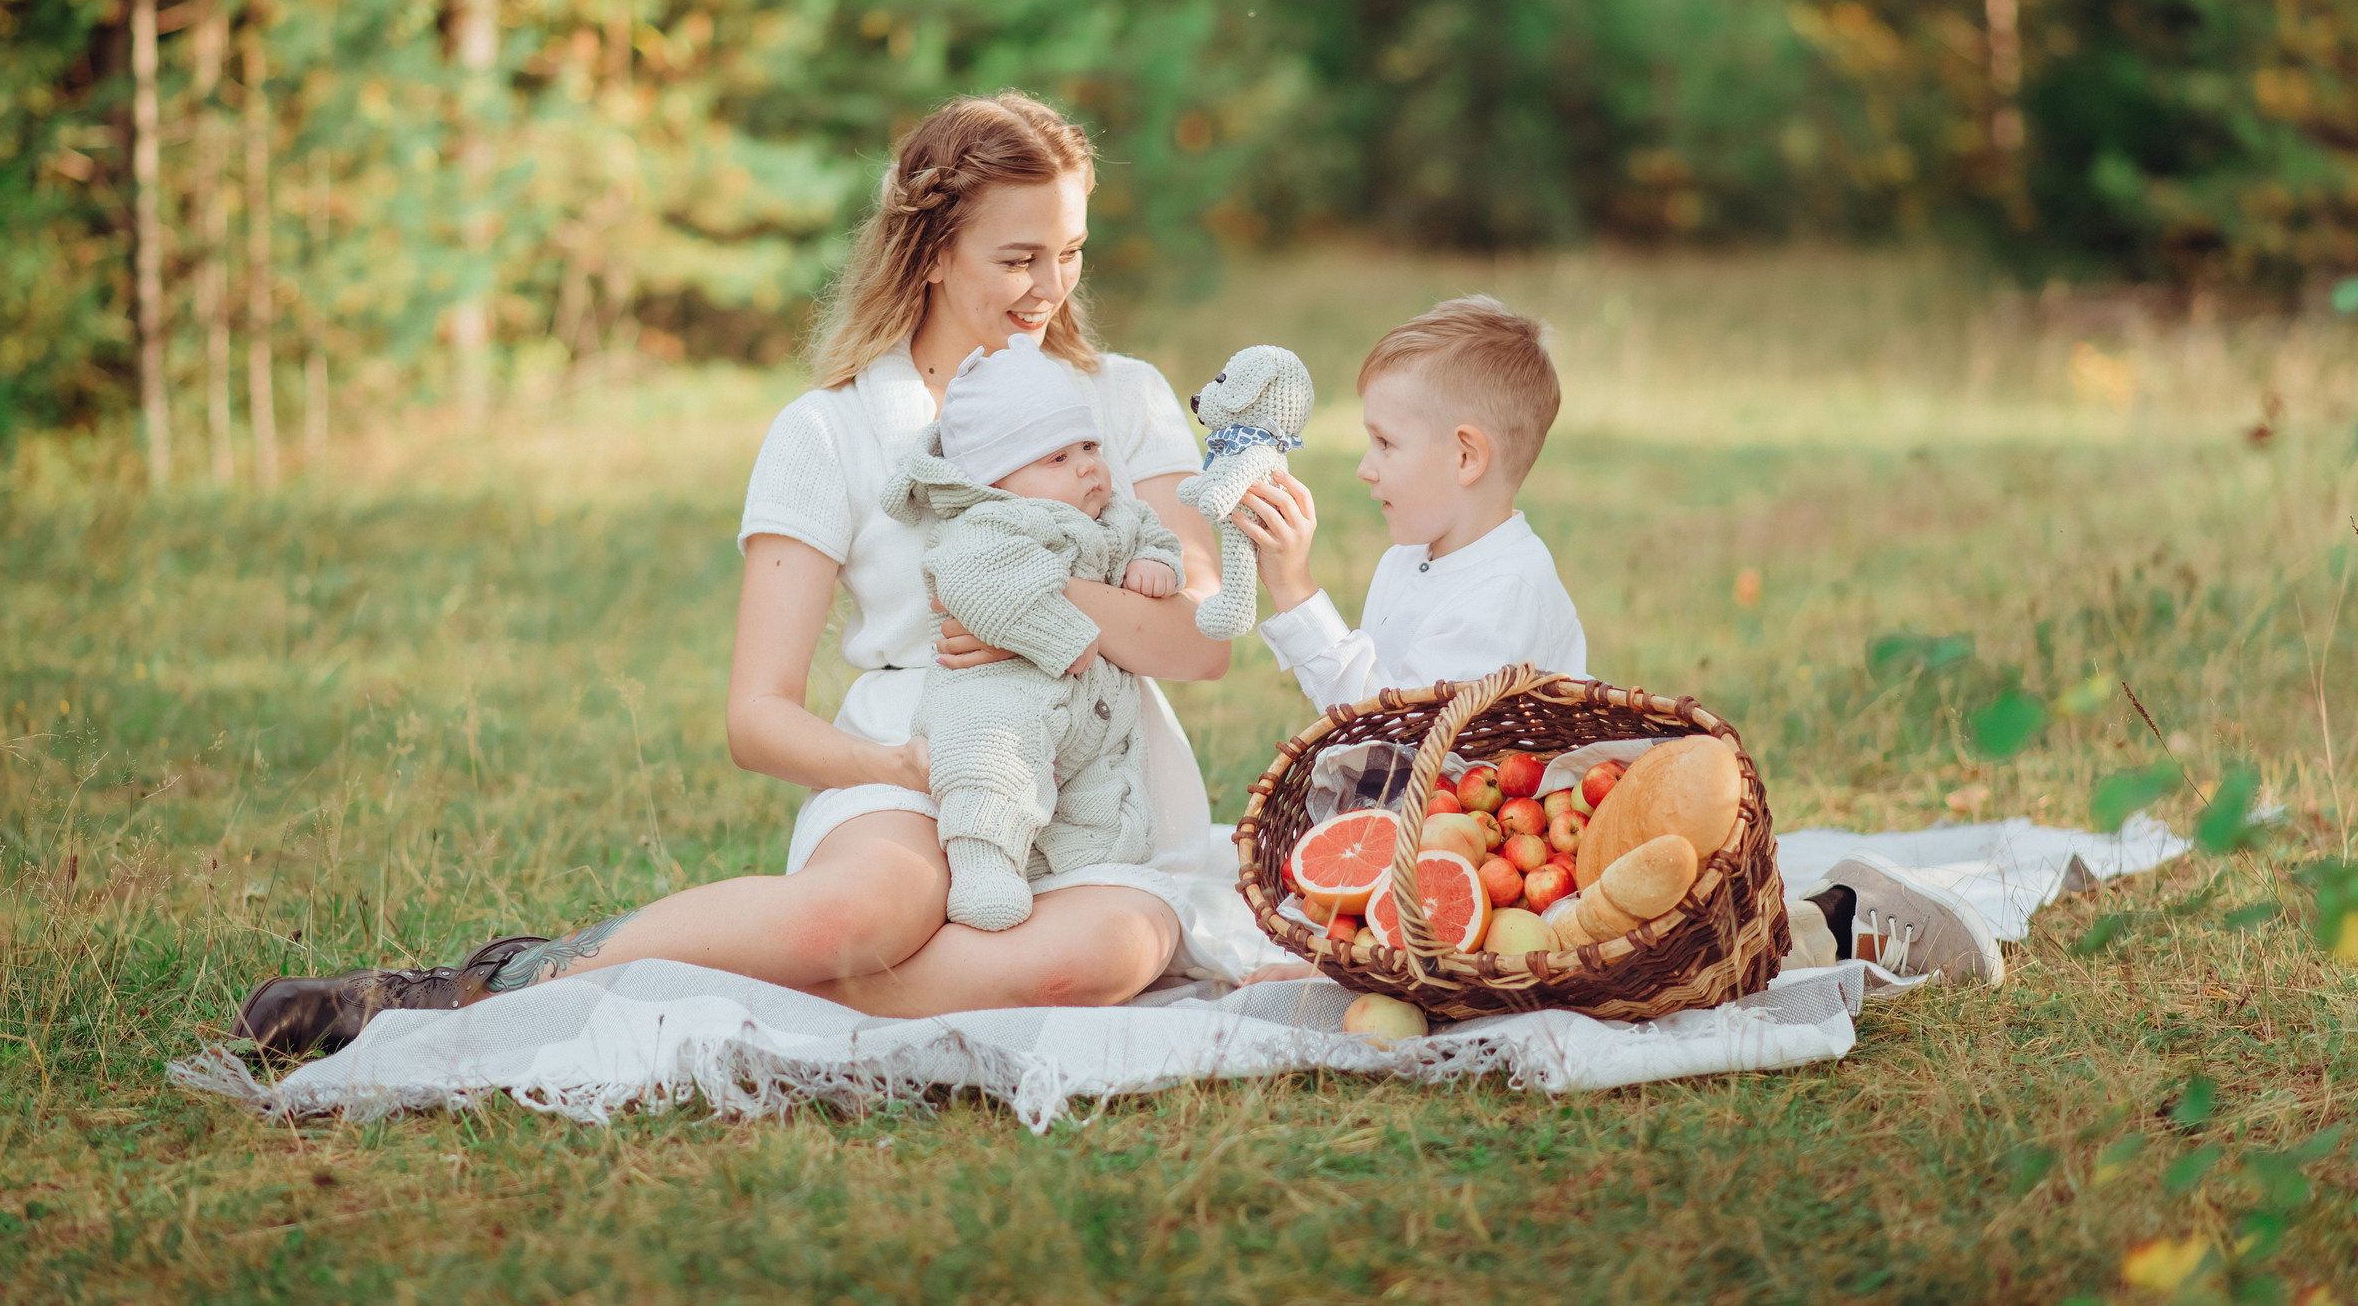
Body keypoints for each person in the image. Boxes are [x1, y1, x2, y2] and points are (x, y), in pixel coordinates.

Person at [230, 92, 1244, 1058]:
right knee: (861, 915)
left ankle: (690, 977)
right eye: (1017, 256)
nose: (1049, 286)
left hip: (1097, 761)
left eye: (1068, 252)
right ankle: (500, 981)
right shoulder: (829, 428)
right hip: (912, 752)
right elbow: (756, 717)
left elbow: (1198, 641)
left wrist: (1023, 603)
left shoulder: (1122, 398)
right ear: (930, 251)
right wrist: (899, 771)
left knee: (1101, 957)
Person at [1229, 297, 2005, 987]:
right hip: (1454, 831)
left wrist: (1298, 593)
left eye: (1383, 443)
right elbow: (1379, 732)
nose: (1364, 469)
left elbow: (1401, 728)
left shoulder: (1508, 586)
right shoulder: (1410, 557)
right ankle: (1355, 941)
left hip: (1524, 844)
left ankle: (1835, 919)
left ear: (1466, 455)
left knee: (1631, 965)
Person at [882, 334, 1183, 930]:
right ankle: (983, 862)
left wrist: (1158, 565)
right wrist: (1064, 637)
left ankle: (1088, 870)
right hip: (1002, 685)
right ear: (998, 478)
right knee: (993, 758)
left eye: (1089, 446)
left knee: (1103, 789)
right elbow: (974, 583)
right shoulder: (992, 520)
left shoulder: (1115, 513)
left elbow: (1157, 536)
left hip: (1094, 709)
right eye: (1056, 459)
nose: (1088, 467)